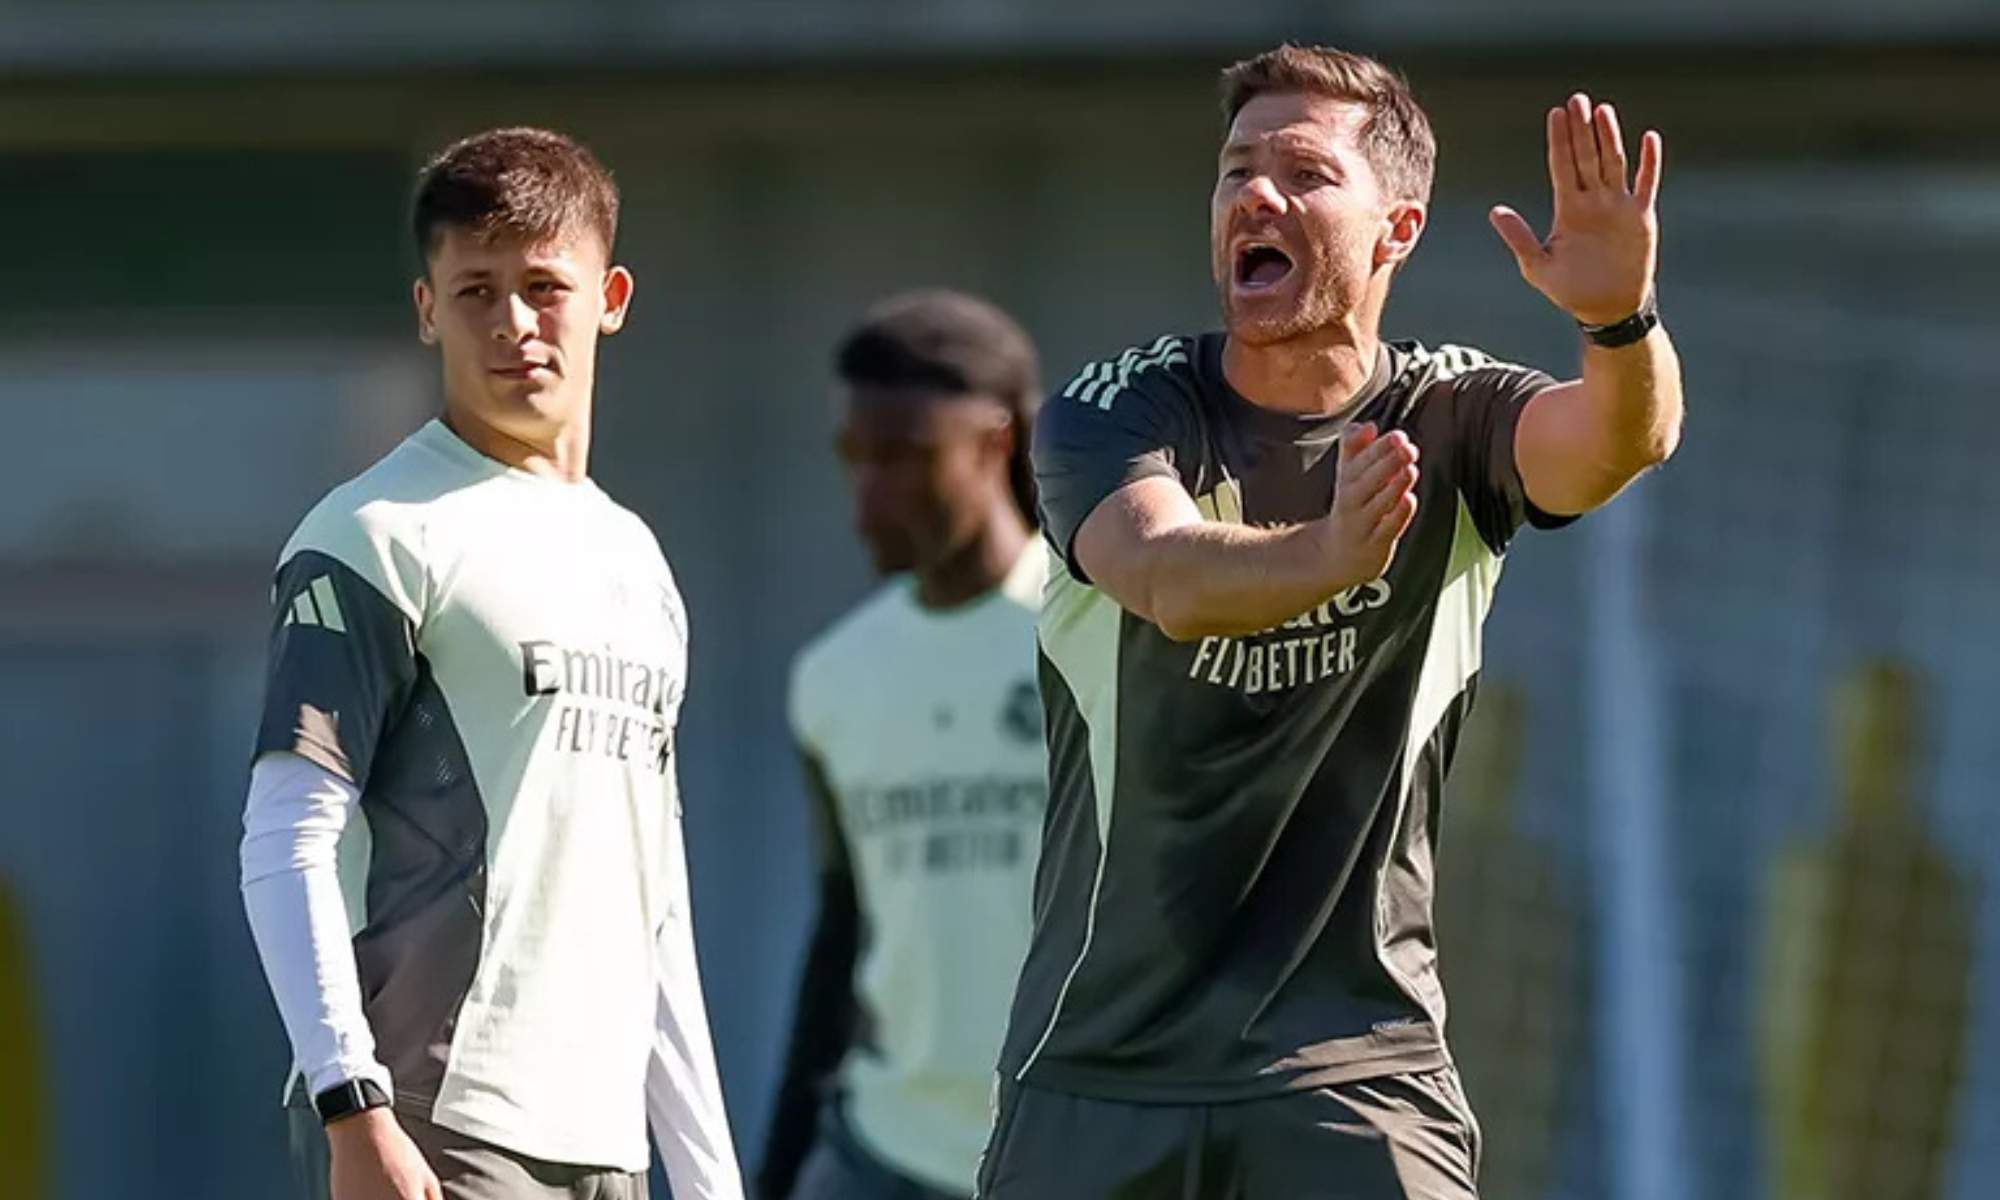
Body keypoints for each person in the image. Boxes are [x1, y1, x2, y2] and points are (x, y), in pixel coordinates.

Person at [980, 44, 1683, 1200]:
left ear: (1394, 229)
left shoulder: (1453, 414)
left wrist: (1619, 324)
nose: (1254, 195)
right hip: (1096, 1075)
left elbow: (1618, 442)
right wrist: (1327, 554)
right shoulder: (1112, 411)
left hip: (1356, 1072)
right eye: (1234, 171)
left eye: (1303, 173)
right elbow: (1162, 573)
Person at [240, 127, 743, 1200]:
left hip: (607, 1144)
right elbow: (285, 836)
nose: (512, 323)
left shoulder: (637, 560)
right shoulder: (371, 533)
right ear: (427, 310)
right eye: (474, 290)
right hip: (431, 1129)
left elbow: (652, 898)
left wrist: (707, 1179)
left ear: (609, 296)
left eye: (541, 286)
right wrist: (349, 1103)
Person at [759, 291, 1050, 1200]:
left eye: (905, 457)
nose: (871, 494)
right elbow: (842, 931)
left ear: (996, 443)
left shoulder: (1103, 633)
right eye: (856, 459)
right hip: (886, 1157)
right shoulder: (833, 677)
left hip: (1074, 1153)